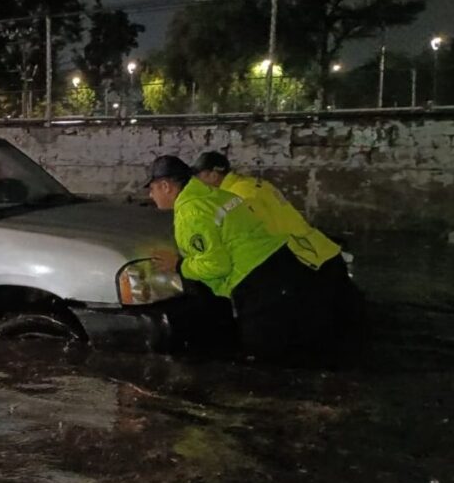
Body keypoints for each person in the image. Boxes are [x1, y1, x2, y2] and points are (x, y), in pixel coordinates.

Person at [146, 155, 339, 364]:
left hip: (258, 285)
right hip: (284, 265)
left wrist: (178, 265)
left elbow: (216, 266)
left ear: (165, 186)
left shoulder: (190, 211)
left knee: (268, 360)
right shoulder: (217, 195)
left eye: (152, 188)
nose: (150, 195)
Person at [192, 151, 365, 350]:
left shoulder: (237, 196)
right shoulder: (252, 184)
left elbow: (251, 238)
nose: (198, 183)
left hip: (302, 257)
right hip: (318, 248)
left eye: (200, 177)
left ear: (214, 175)